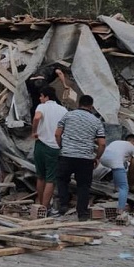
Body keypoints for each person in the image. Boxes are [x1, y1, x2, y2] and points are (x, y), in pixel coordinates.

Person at [55, 95, 106, 221]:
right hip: (85, 158)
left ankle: (63, 204)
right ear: (91, 106)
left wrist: (62, 146)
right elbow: (102, 143)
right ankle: (82, 214)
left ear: (79, 103)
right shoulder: (96, 121)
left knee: (61, 179)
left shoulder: (68, 115)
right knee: (83, 186)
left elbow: (57, 134)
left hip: (67, 155)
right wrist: (97, 157)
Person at [31, 86, 67, 214]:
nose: (40, 98)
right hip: (55, 146)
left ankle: (41, 206)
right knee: (50, 179)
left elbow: (36, 118)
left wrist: (34, 131)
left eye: (41, 96)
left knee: (40, 177)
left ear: (46, 97)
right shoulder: (63, 110)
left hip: (40, 144)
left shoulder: (42, 107)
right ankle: (45, 209)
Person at [100, 134, 134, 214]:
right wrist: (131, 182)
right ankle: (120, 210)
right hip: (115, 161)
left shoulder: (117, 142)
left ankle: (115, 187)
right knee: (124, 187)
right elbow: (132, 166)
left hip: (103, 159)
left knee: (119, 168)